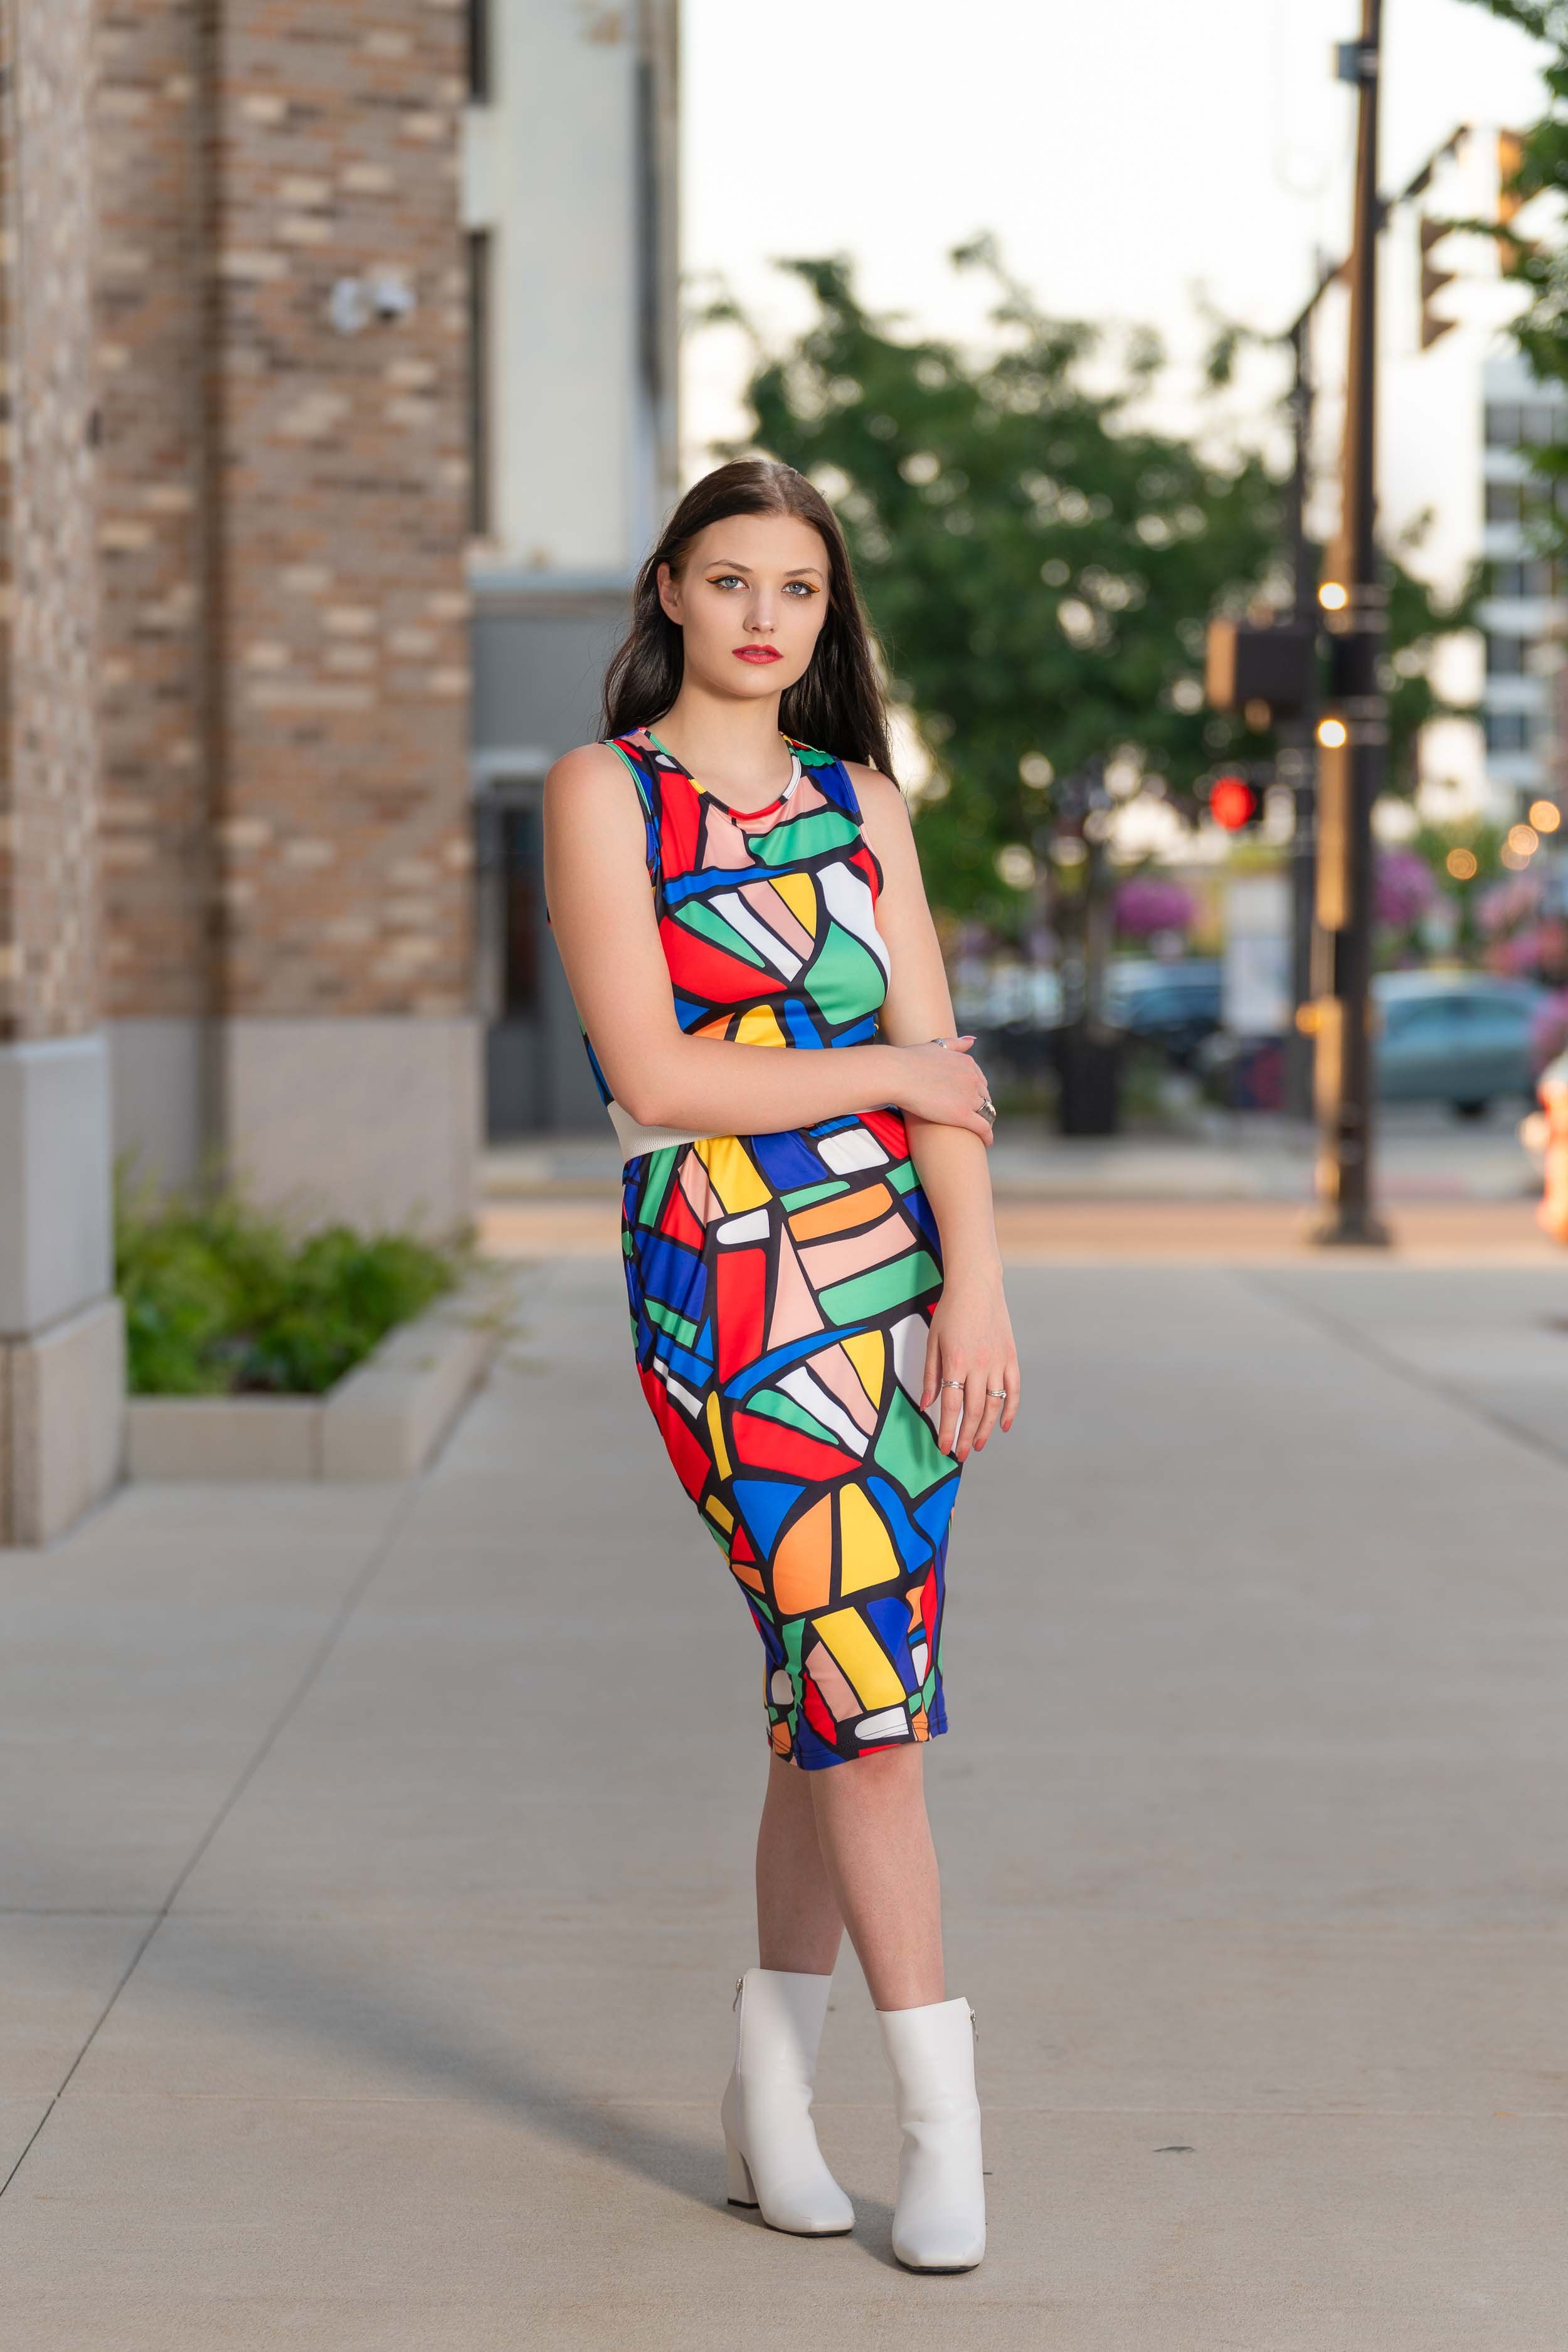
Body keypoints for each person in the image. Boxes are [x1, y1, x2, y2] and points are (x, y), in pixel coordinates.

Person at [543, 455, 1020, 2273]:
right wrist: (891, 1079)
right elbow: (657, 1084)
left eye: (796, 591)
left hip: (893, 1281)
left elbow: (949, 1080)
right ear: (668, 589)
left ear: (827, 617)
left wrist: (975, 1288)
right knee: (868, 1708)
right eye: (729, 579)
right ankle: (942, 2133)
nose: (761, 616)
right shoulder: (607, 794)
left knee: (829, 1700)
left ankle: (768, 2100)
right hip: (726, 1279)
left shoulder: (863, 804)